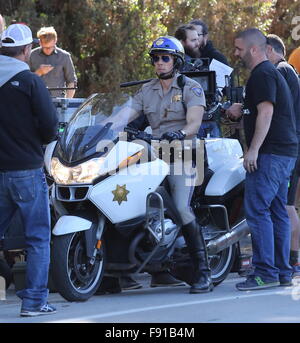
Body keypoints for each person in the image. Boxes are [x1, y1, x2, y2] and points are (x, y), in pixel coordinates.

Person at [104, 36, 213, 294]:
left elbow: (195, 123)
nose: (160, 62)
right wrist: (103, 127)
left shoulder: (190, 87)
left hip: (183, 153)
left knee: (181, 208)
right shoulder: (147, 90)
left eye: (165, 58)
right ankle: (116, 270)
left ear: (176, 61)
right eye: (156, 58)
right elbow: (123, 116)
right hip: (156, 152)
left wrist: (182, 133)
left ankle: (203, 272)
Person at [227, 28, 298, 290]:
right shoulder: (268, 73)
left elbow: (266, 112)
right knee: (277, 210)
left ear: (253, 49)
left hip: (270, 154)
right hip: (284, 153)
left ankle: (265, 272)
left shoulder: (262, 74)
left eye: (238, 49)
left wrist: (253, 149)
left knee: (257, 210)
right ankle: (281, 271)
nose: (235, 53)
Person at [0, 24, 58, 316]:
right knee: (37, 238)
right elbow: (50, 127)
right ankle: (34, 302)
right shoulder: (30, 82)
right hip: (26, 170)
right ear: (25, 51)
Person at [266, 34, 300, 276]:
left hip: (290, 146)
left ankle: (291, 260)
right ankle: (292, 260)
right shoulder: (287, 69)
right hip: (293, 145)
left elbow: (275, 108)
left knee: (286, 205)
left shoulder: (282, 70)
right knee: (286, 205)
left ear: (268, 50)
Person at [175, 23, 221, 138]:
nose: (197, 43)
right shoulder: (178, 65)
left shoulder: (197, 61)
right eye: (193, 40)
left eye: (197, 39)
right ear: (182, 42)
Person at [29, 26, 77, 98]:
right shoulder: (31, 55)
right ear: (40, 43)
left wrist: (67, 102)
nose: (47, 50)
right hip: (36, 100)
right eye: (44, 47)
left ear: (55, 41)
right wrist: (38, 72)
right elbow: (25, 81)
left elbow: (71, 81)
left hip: (59, 102)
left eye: (50, 47)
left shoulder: (64, 56)